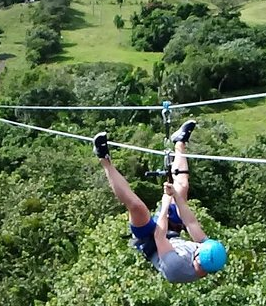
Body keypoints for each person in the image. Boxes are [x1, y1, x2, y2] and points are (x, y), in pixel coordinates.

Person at [93, 120, 227, 283]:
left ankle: (103, 158)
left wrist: (166, 199)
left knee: (137, 208)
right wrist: (176, 195)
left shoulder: (177, 268)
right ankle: (180, 141)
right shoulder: (209, 252)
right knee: (182, 186)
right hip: (171, 233)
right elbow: (191, 223)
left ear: (198, 260)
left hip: (151, 242)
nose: (198, 247)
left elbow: (158, 235)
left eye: (198, 249)